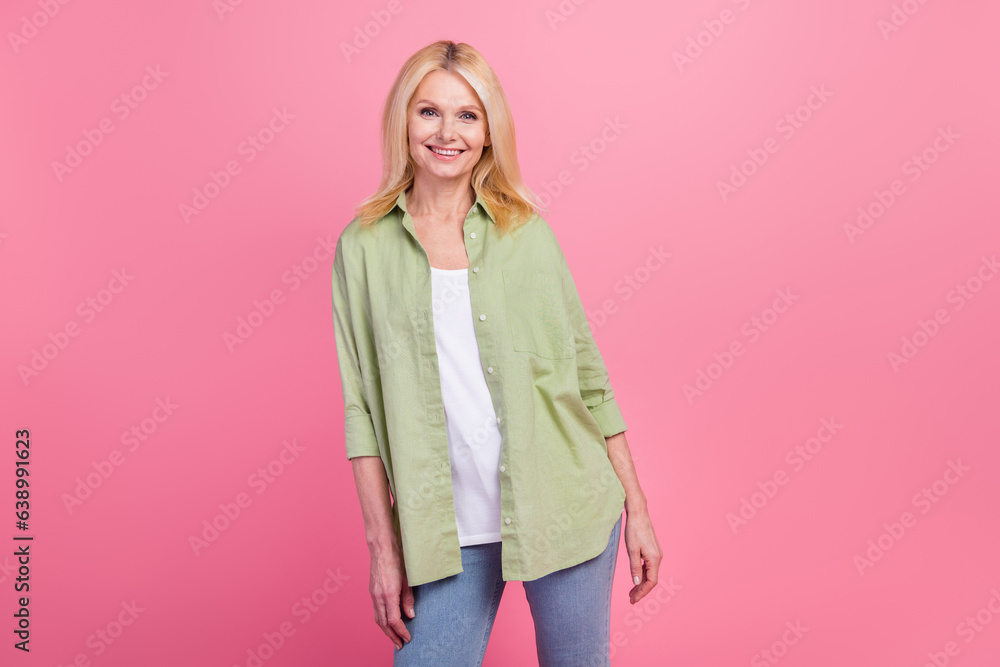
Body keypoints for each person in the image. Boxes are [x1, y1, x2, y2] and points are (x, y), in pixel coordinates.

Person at [331, 39, 662, 667]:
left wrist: (638, 509)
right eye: (429, 112)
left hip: (561, 505)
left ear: (488, 133)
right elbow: (361, 412)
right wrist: (383, 547)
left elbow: (589, 380)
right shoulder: (363, 247)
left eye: (467, 114)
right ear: (403, 121)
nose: (447, 132)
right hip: (441, 532)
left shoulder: (526, 233)